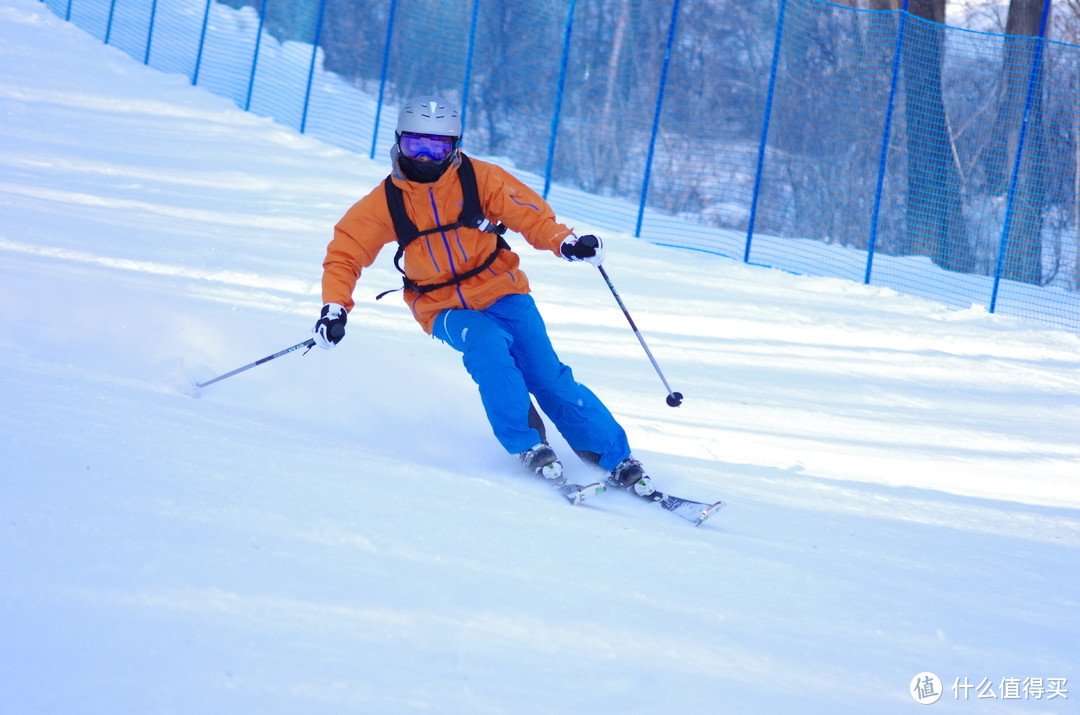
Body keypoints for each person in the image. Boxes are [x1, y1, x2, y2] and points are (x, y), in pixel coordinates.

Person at [313, 95, 656, 499]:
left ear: (455, 146)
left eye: (437, 147)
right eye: (415, 145)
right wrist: (335, 306)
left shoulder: (481, 180)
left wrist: (566, 242)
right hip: (440, 305)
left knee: (546, 375)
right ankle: (527, 442)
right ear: (398, 141)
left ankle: (614, 456)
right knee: (487, 345)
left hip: (501, 288)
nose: (425, 157)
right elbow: (345, 253)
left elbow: (531, 216)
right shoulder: (386, 202)